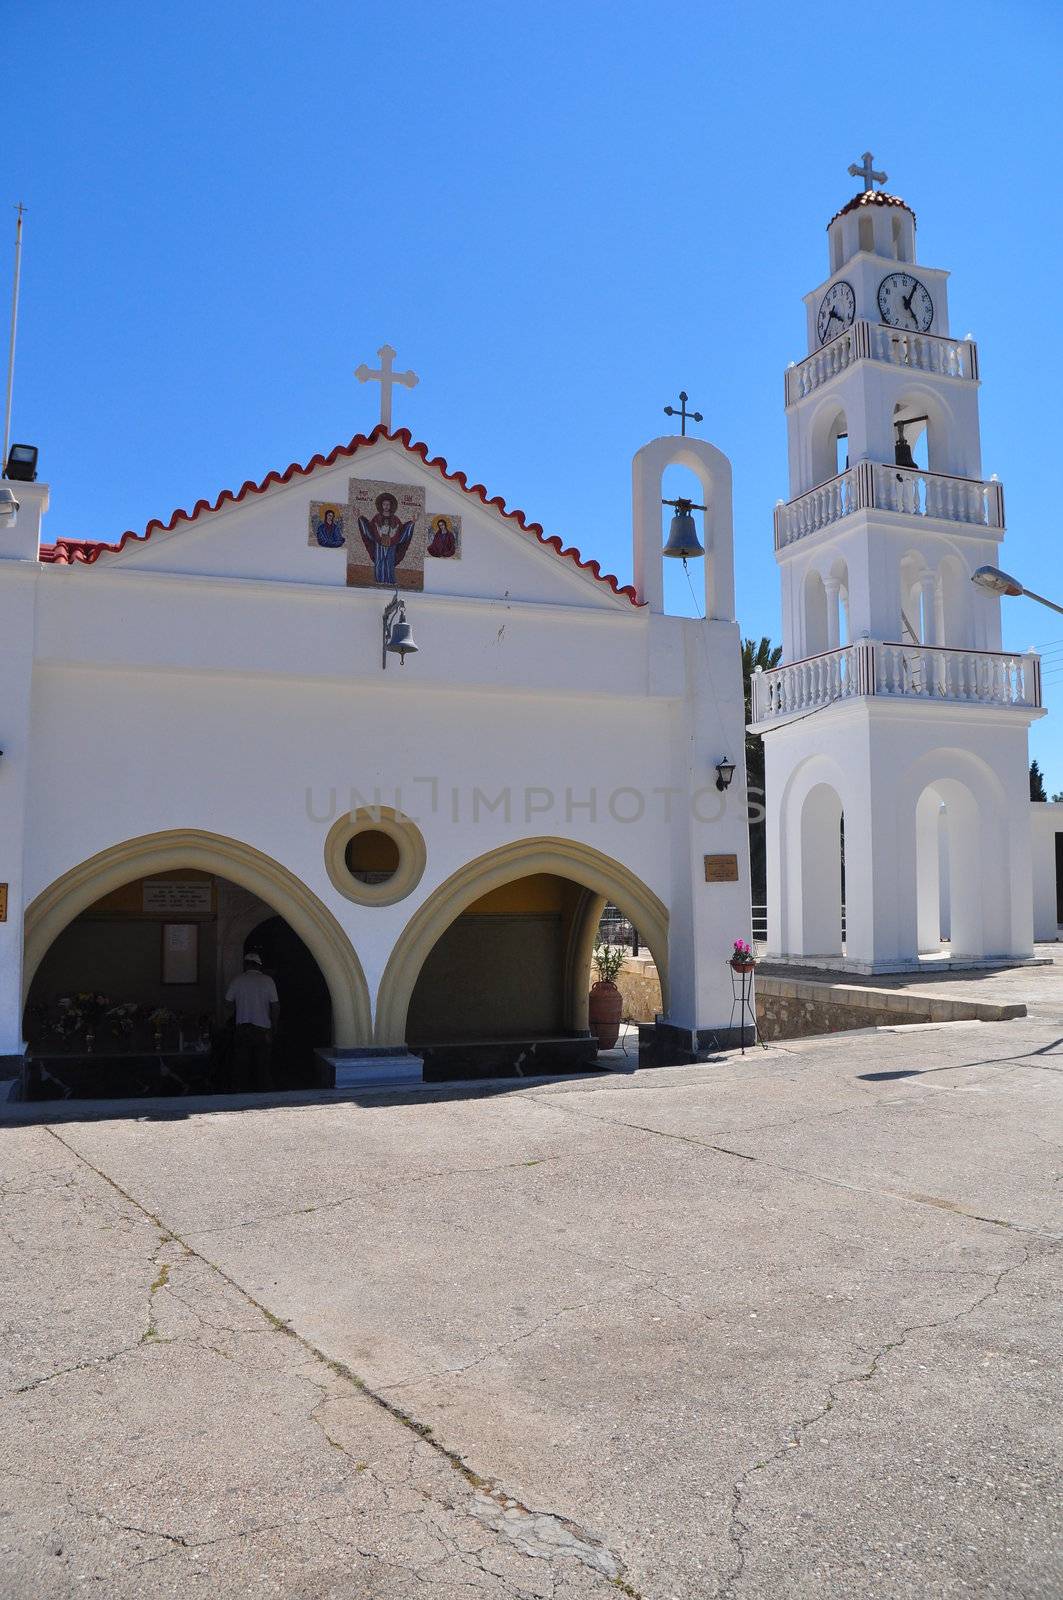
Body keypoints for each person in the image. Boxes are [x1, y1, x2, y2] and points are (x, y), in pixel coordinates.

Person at [225, 952, 279, 1092]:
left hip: (242, 1028)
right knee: (263, 1065)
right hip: (263, 1029)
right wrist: (274, 1025)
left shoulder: (237, 980)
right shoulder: (268, 981)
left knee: (241, 1065)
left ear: (245, 965)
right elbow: (275, 1006)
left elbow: (227, 1004)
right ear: (259, 966)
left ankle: (241, 1093)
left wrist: (240, 1007)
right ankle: (264, 1093)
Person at [357, 491, 415, 584]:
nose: (386, 506)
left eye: (388, 504)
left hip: (391, 545)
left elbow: (401, 531)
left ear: (391, 506)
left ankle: (389, 581)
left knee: (389, 562)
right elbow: (370, 530)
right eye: (384, 504)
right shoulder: (377, 518)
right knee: (379, 561)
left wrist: (412, 523)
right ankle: (379, 580)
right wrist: (360, 517)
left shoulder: (395, 519)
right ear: (381, 505)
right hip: (379, 545)